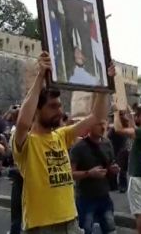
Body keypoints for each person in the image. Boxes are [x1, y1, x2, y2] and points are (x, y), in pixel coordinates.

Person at [12, 52, 115, 233]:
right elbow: (22, 123)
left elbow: (97, 116)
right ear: (37, 110)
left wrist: (103, 86)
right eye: (53, 106)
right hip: (42, 226)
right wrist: (40, 77)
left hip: (71, 221)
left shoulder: (61, 135)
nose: (59, 111)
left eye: (60, 106)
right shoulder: (26, 143)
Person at [71, 119, 119, 234]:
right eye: (99, 123)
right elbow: (70, 174)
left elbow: (110, 165)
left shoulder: (107, 143)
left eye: (104, 123)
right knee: (86, 229)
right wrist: (89, 173)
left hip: (104, 196)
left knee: (111, 229)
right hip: (85, 198)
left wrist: (113, 169)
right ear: (89, 126)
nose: (103, 127)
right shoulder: (78, 147)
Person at [114, 105, 141, 234]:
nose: (134, 117)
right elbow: (133, 128)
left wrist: (115, 112)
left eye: (137, 115)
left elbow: (118, 129)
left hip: (137, 177)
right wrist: (130, 116)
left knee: (139, 213)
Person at [107, 110, 131, 193]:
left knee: (120, 168)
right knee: (118, 167)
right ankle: (117, 185)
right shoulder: (116, 125)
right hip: (118, 147)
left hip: (119, 147)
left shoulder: (120, 125)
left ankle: (119, 185)